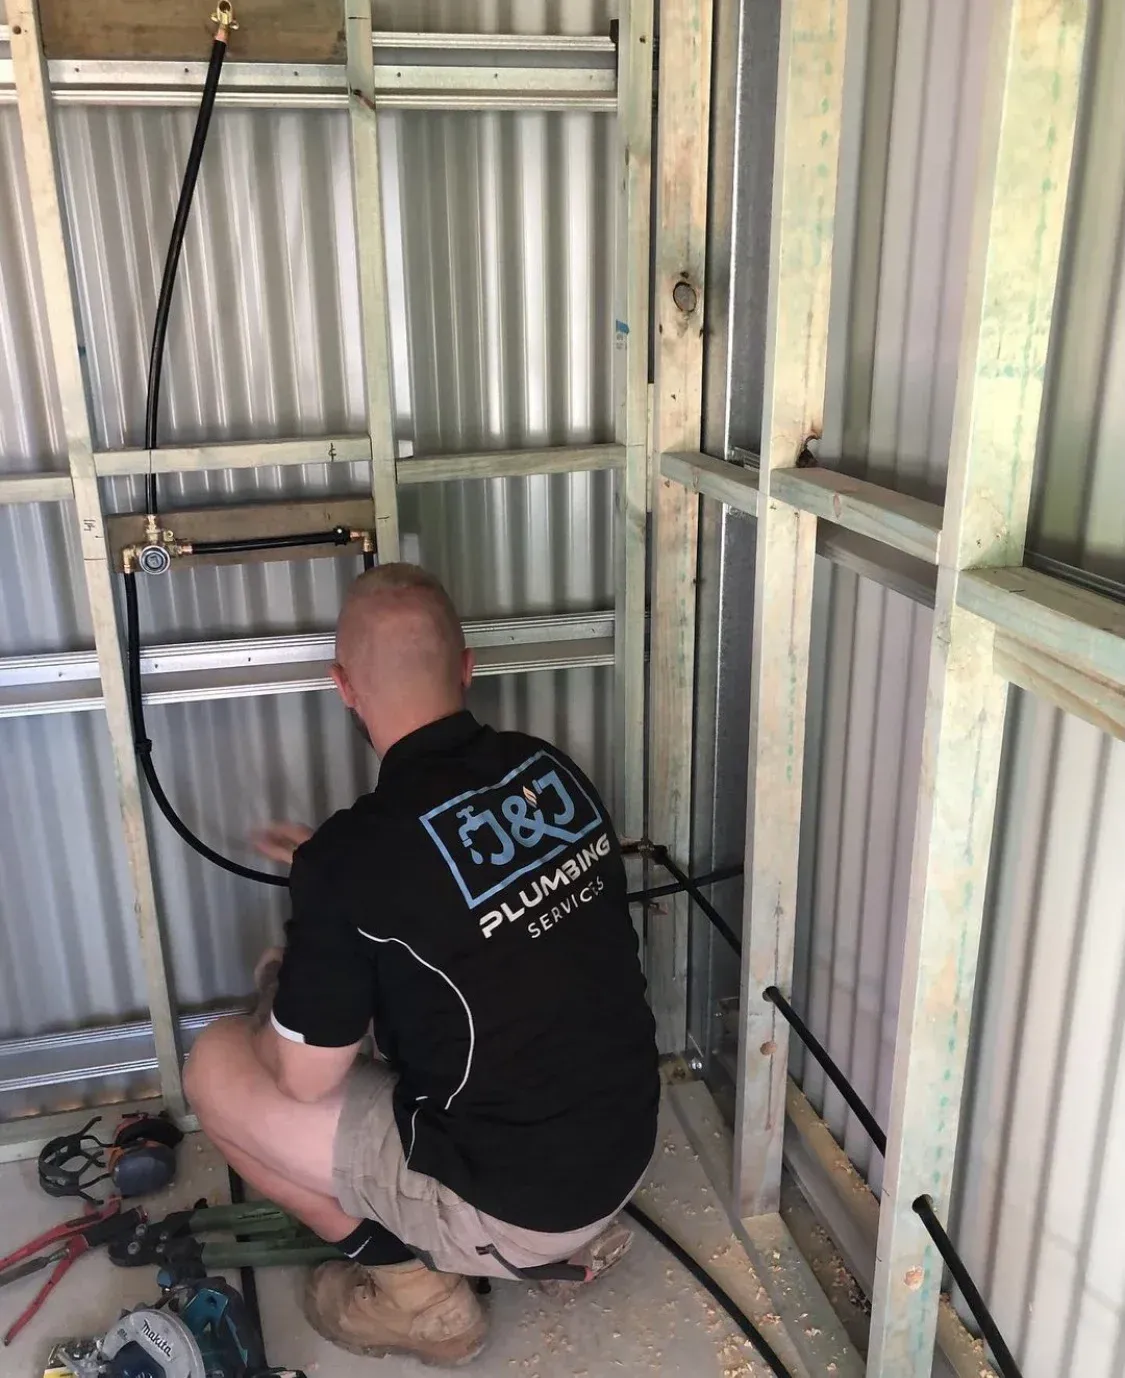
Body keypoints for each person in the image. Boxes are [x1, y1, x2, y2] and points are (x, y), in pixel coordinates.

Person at [185, 563, 660, 1367]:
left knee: (219, 1067)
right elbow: (467, 901)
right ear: (468, 667)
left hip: (518, 1202)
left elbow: (302, 1083)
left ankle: (421, 1300)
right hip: (623, 1145)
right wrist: (331, 879)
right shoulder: (547, 771)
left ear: (342, 685)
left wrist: (285, 987)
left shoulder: (354, 861)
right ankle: (545, 1242)